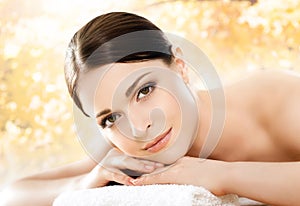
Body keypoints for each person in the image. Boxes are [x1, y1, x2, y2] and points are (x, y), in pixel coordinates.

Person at [2, 12, 300, 206]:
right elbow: (12, 194)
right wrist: (84, 182)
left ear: (181, 68)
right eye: (110, 118)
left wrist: (220, 175)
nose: (138, 127)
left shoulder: (273, 98)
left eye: (145, 91)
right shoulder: (134, 154)